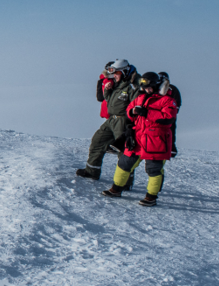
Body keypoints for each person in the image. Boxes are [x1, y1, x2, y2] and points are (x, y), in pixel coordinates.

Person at [101, 72, 178, 206]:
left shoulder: (167, 100)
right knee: (124, 163)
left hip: (156, 140)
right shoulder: (141, 98)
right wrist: (132, 113)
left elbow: (168, 117)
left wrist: (147, 113)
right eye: (144, 87)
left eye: (149, 87)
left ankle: (151, 196)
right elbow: (130, 109)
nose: (146, 89)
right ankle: (116, 188)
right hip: (137, 138)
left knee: (153, 169)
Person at [76, 59, 140, 180]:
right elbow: (109, 101)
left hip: (123, 121)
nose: (114, 75)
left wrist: (131, 125)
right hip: (112, 120)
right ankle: (92, 171)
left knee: (124, 150)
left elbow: (135, 105)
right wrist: (107, 90)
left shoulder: (133, 85)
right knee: (98, 141)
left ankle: (124, 181)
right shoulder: (118, 83)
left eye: (116, 73)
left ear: (124, 72)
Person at [158, 71, 182, 157]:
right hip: (157, 115)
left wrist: (173, 111)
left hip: (169, 114)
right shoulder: (156, 88)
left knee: (171, 130)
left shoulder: (172, 89)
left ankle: (171, 148)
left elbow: (177, 102)